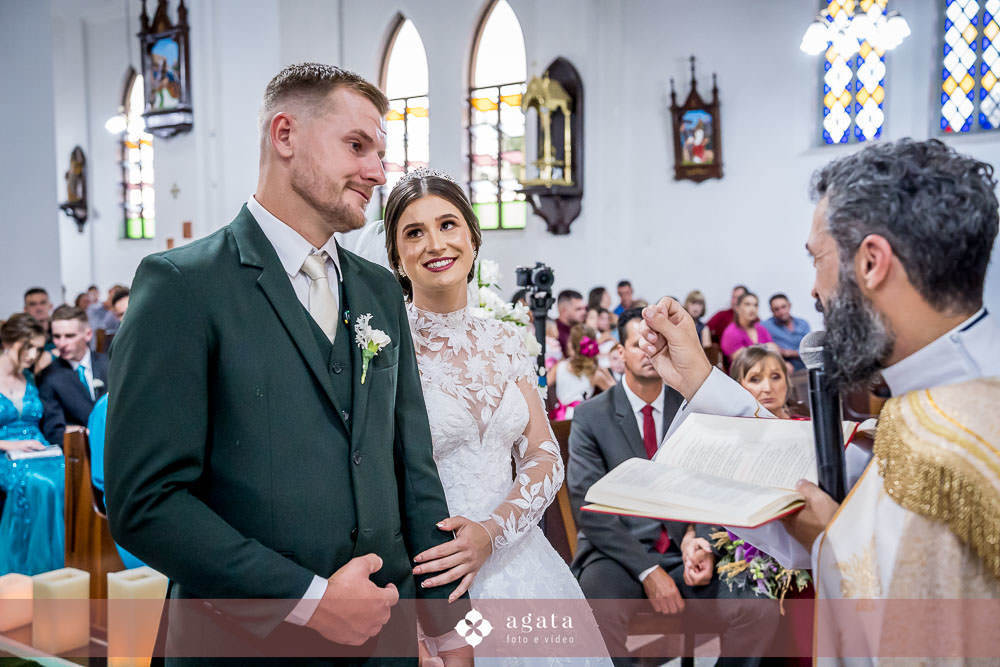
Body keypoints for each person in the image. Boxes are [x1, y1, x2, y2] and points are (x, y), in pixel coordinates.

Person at [105, 64, 469, 662]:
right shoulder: (183, 286)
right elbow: (147, 502)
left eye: (379, 153)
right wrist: (308, 598)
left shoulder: (380, 289)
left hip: (388, 641)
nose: (378, 173)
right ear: (284, 135)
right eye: (357, 146)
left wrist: (455, 629)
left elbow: (414, 469)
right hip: (246, 645)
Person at [638, 138, 1000, 662]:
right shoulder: (934, 402)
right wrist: (699, 380)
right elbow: (824, 487)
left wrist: (832, 540)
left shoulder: (965, 431)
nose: (815, 291)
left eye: (818, 261)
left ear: (872, 262)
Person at [382, 168, 611, 664]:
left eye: (447, 225)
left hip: (521, 559)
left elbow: (545, 453)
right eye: (413, 232)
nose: (434, 243)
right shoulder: (385, 350)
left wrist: (494, 531)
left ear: (472, 236)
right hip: (437, 578)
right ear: (397, 257)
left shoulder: (506, 339)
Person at [568, 308, 778, 667]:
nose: (649, 353)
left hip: (684, 549)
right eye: (638, 344)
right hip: (618, 556)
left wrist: (703, 539)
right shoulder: (592, 415)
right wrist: (648, 571)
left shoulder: (693, 407)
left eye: (658, 345)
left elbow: (717, 483)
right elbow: (587, 504)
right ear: (620, 354)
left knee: (756, 604)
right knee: (598, 609)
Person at [0, 313, 64, 575]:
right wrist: (9, 445)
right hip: (6, 451)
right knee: (41, 483)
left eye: (38, 348)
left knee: (67, 475)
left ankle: (69, 564)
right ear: (7, 341)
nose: (32, 354)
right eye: (27, 346)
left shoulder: (30, 374)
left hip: (39, 448)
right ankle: (34, 569)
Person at [38, 305, 108, 445]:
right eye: (57, 336)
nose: (62, 343)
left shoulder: (110, 364)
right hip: (80, 453)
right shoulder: (48, 376)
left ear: (88, 334)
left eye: (70, 336)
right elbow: (53, 430)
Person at [548, 324, 616, 420]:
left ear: (571, 344)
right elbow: (616, 393)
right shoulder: (594, 373)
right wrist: (607, 374)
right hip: (582, 419)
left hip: (559, 418)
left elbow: (542, 386)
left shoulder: (559, 366)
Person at [729, 346, 792, 419]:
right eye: (755, 379)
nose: (767, 388)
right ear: (738, 386)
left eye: (775, 377)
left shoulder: (805, 423)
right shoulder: (728, 428)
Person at [719, 292, 777, 362]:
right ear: (737, 308)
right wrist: (765, 347)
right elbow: (744, 361)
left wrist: (751, 350)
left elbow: (775, 350)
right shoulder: (731, 332)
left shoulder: (761, 329)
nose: (752, 309)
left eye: (755, 305)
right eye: (747, 304)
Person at [761, 293, 810, 371]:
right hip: (784, 364)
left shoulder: (803, 324)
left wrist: (789, 352)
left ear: (789, 306)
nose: (781, 312)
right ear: (771, 310)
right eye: (776, 309)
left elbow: (809, 348)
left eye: (783, 307)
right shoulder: (766, 326)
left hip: (806, 362)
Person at [556, 289, 587, 357]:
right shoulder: (552, 331)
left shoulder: (584, 329)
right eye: (578, 309)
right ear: (563, 310)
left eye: (585, 308)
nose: (584, 312)